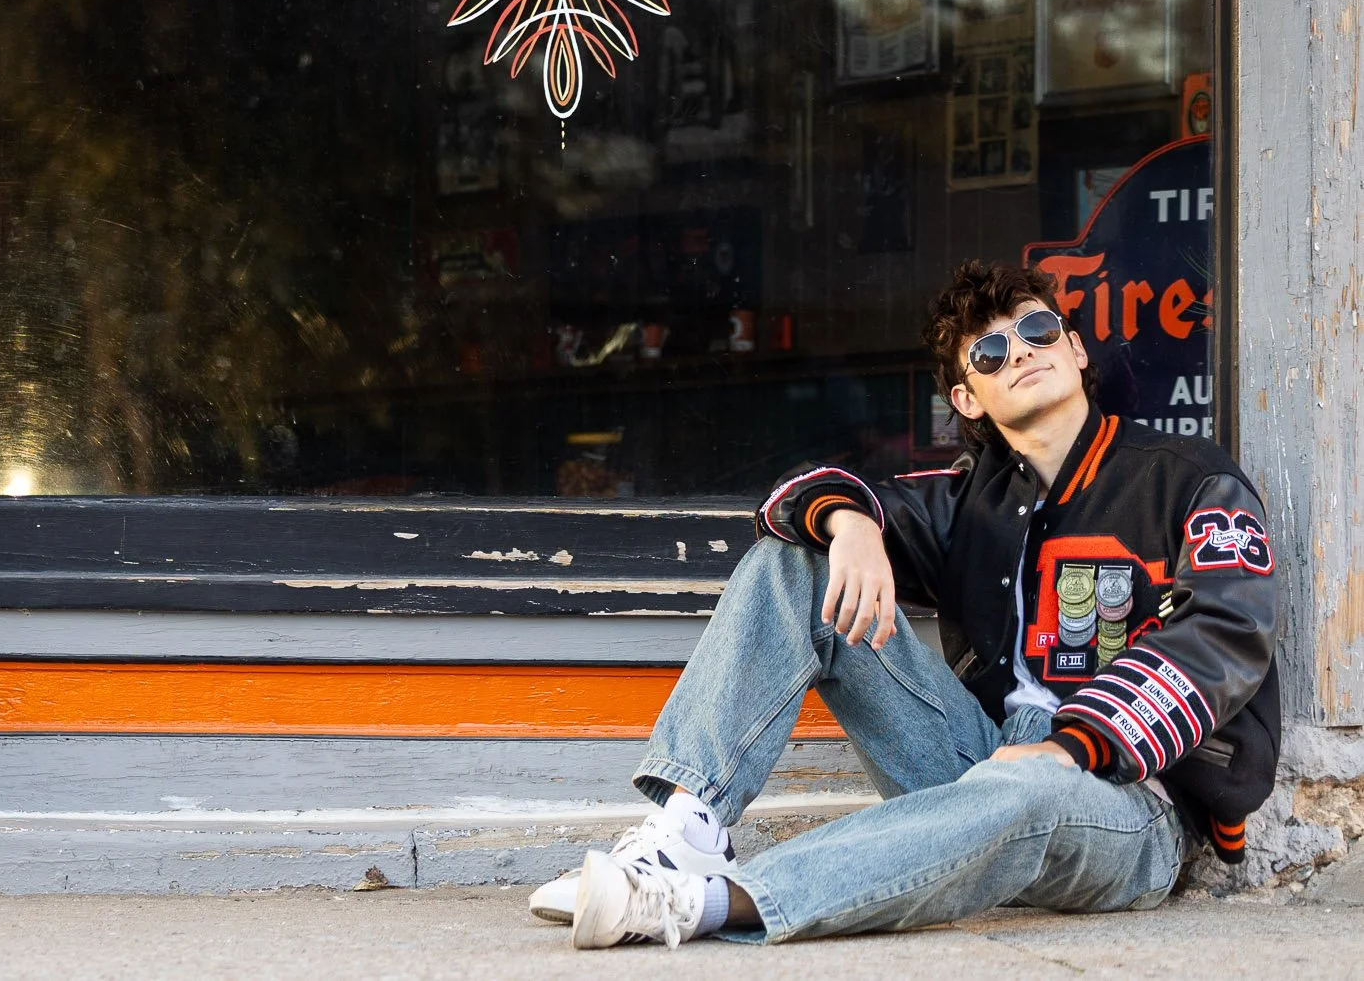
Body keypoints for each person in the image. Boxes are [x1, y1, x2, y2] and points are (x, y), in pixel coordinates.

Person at [532, 260, 1278, 948]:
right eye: (990, 352)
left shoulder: (1187, 477)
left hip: (1129, 803)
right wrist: (851, 523)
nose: (1021, 351)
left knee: (1030, 786)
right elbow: (794, 500)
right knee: (798, 559)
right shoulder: (973, 501)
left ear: (1076, 348)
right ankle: (687, 829)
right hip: (980, 755)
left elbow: (1226, 632)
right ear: (967, 398)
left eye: (1037, 328)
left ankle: (705, 902)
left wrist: (1073, 745)